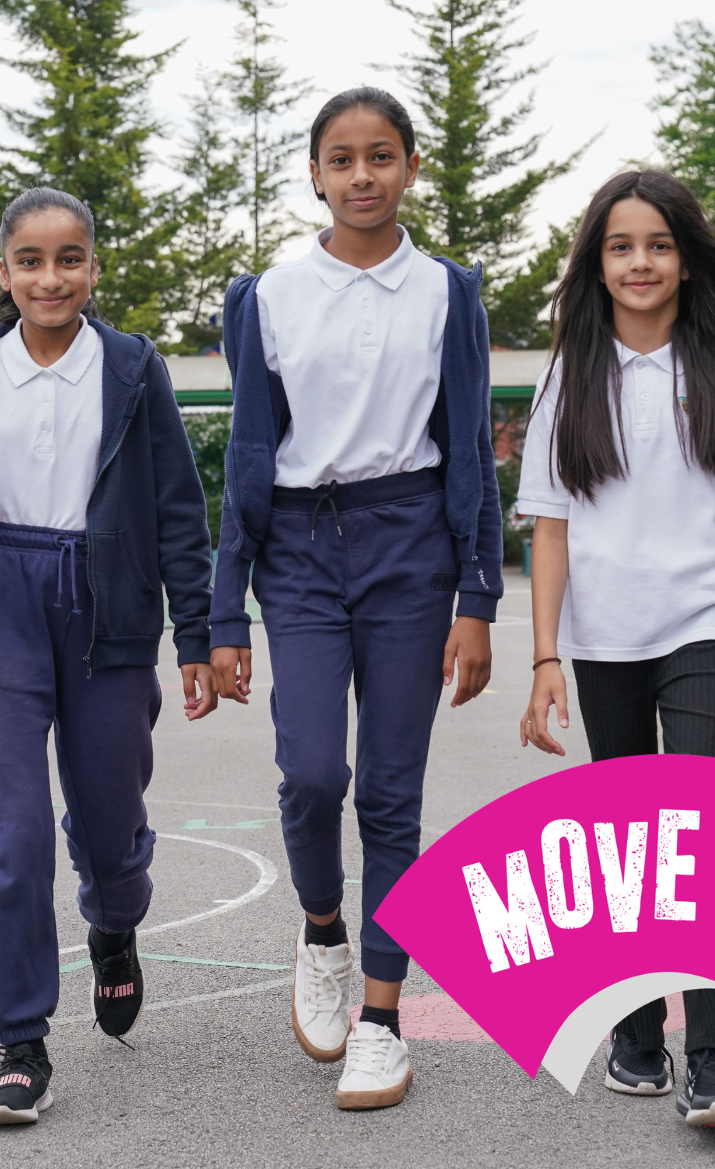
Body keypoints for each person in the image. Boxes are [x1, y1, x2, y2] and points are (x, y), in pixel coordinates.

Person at [211, 86, 502, 1110]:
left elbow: (470, 449)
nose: (362, 175)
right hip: (298, 546)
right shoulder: (269, 296)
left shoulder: (448, 292)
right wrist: (225, 610)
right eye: (342, 158)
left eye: (381, 155)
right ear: (315, 174)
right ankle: (323, 931)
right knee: (311, 773)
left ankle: (381, 1019)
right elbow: (250, 453)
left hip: (409, 541)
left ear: (411, 167)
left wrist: (478, 594)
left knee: (387, 788)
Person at [0, 186, 218, 1126]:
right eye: (31, 260)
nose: (51, 277)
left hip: (106, 603)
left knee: (112, 827)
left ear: (93, 267)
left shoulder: (131, 368)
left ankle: (114, 925)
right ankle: (20, 1043)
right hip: (0, 603)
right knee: (9, 838)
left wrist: (196, 634)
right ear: (4, 271)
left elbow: (177, 509)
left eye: (69, 258)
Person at [517, 169, 715, 1130]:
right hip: (604, 639)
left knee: (704, 830)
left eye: (659, 245)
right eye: (621, 246)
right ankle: (637, 1033)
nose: (641, 262)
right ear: (597, 264)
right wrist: (545, 659)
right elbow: (550, 529)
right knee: (630, 840)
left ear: (686, 258)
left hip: (703, 624)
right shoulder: (568, 374)